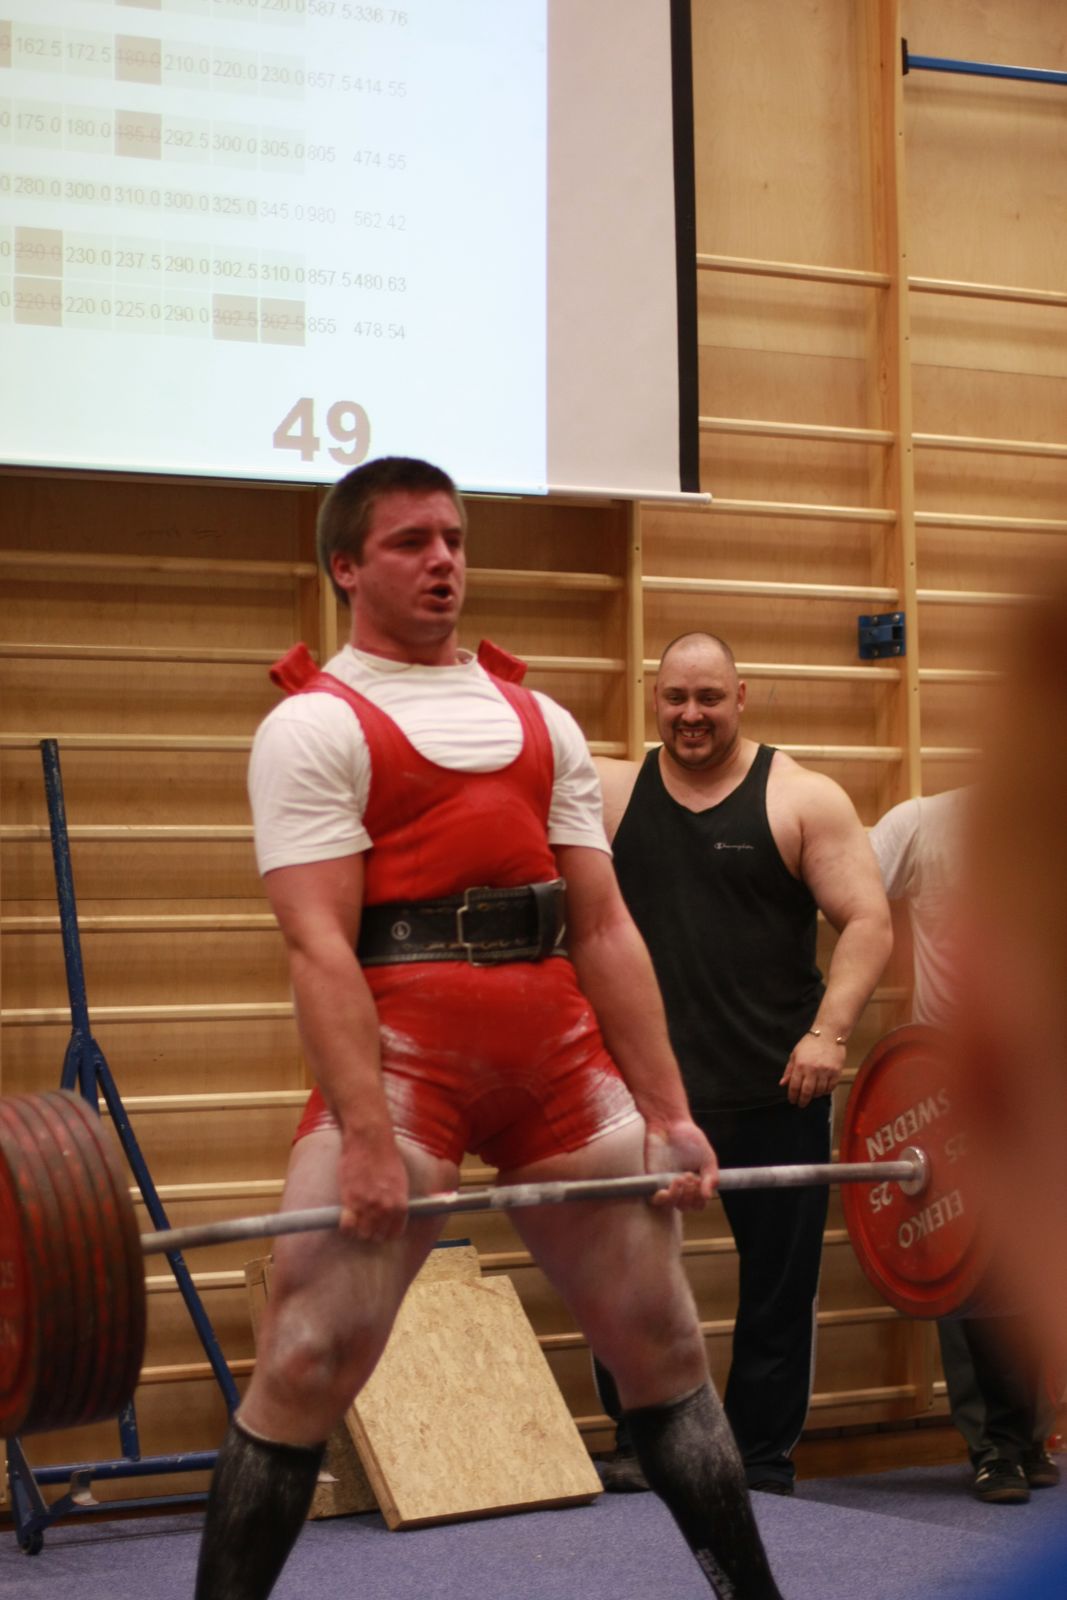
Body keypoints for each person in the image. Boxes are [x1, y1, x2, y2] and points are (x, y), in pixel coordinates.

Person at [193, 459, 785, 1600]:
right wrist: (366, 1136)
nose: (443, 561)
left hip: (555, 1057)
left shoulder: (541, 720)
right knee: (307, 1358)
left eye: (454, 540)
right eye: (410, 542)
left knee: (666, 1350)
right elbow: (319, 948)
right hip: (401, 1063)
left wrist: (669, 1114)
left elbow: (602, 927)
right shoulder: (311, 726)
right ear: (345, 567)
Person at [593, 632, 892, 1496]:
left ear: (741, 697)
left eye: (708, 698)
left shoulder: (801, 798)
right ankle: (646, 1444)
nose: (690, 715)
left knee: (776, 1291)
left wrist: (828, 1035)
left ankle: (758, 1462)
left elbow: (867, 921)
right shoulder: (613, 793)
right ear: (654, 698)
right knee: (628, 1281)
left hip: (775, 1089)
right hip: (649, 1097)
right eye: (675, 698)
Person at [870, 788, 1060, 1504]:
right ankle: (993, 1448)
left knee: (1034, 1265)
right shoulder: (922, 823)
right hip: (951, 1080)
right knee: (968, 1265)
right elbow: (845, 890)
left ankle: (1029, 1437)